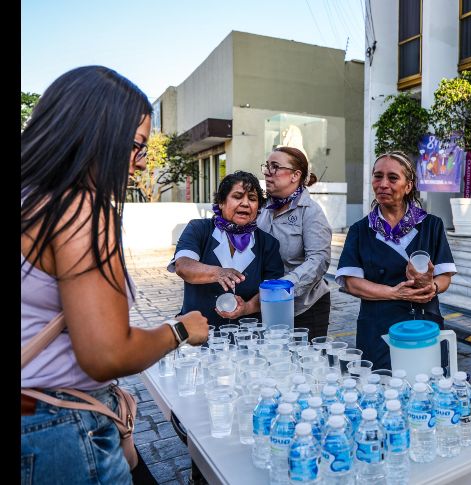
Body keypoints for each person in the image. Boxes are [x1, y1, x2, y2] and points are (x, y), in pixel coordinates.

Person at [21, 66, 209, 484]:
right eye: (137, 146)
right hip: (59, 429)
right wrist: (179, 330)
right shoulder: (79, 208)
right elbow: (106, 354)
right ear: (96, 134)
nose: (139, 162)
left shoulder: (30, 198)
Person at [335, 151, 457, 369]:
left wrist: (432, 286)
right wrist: (394, 293)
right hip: (377, 327)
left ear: (408, 186)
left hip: (424, 324)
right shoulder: (361, 230)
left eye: (392, 178)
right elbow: (352, 282)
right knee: (381, 387)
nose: (383, 184)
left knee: (425, 384)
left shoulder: (431, 225)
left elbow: (445, 276)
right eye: (377, 176)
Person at [169, 171, 285, 329]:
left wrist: (247, 308)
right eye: (237, 196)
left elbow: (273, 291)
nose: (245, 203)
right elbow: (183, 266)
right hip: (197, 333)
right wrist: (217, 272)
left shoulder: (268, 243)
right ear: (221, 202)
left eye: (252, 199)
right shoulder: (198, 229)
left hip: (247, 336)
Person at [257, 147, 333, 339]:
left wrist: (286, 285)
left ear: (295, 175)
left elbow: (319, 259)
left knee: (305, 364)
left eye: (275, 167)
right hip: (267, 303)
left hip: (305, 307)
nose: (267, 172)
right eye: (267, 166)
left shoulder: (310, 212)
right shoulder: (263, 208)